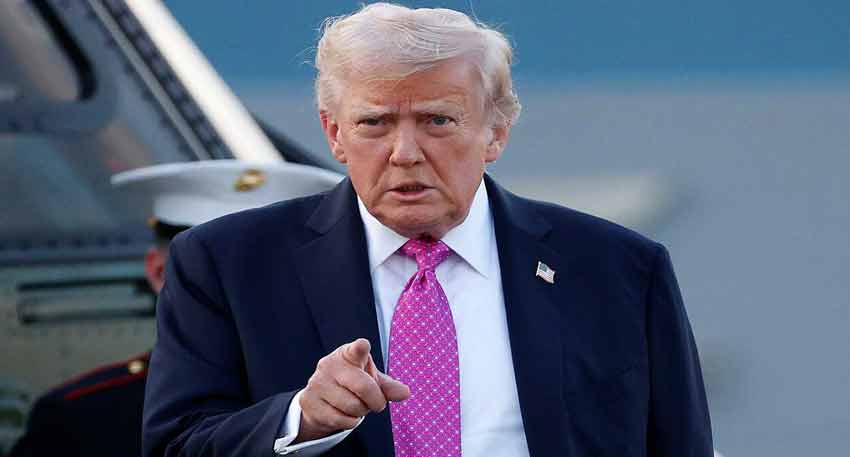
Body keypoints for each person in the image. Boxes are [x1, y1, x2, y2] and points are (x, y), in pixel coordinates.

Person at [143, 4, 713, 457]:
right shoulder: (228, 263)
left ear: (496, 131)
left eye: (437, 120)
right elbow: (176, 445)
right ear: (334, 133)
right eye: (375, 123)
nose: (405, 153)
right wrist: (301, 419)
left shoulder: (618, 269)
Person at [8, 160, 340, 457]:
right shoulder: (83, 418)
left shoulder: (352, 403)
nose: (241, 290)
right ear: (157, 272)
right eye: (209, 270)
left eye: (264, 272)